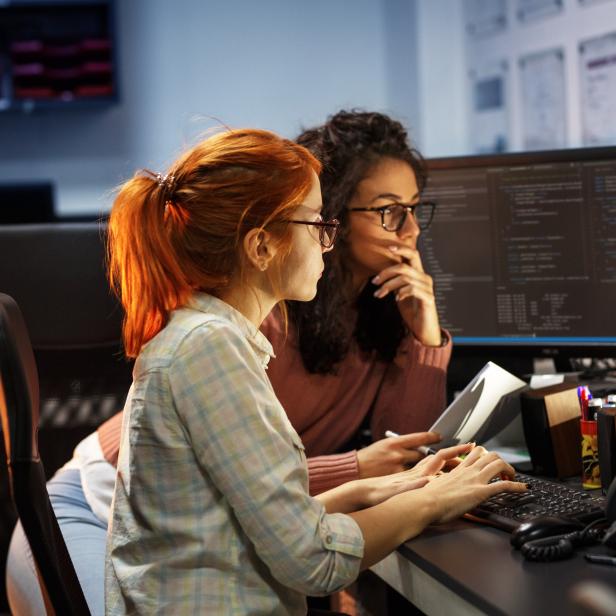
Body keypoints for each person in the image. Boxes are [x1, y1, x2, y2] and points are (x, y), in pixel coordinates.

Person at [12, 127, 525, 615]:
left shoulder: (219, 336)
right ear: (260, 247)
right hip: (89, 506)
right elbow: (312, 558)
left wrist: (398, 485)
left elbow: (247, 508)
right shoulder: (213, 349)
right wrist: (429, 499)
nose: (328, 238)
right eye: (318, 222)